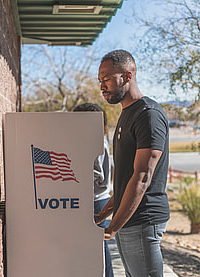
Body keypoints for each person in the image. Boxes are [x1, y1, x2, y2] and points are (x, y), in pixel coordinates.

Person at [94, 49, 170, 277]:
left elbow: (142, 177)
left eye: (106, 79)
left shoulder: (148, 114)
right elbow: (125, 179)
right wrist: (102, 215)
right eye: (100, 80)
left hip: (143, 219)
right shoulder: (126, 114)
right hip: (129, 220)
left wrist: (113, 228)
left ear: (127, 76)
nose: (102, 86)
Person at [73, 103, 114, 277]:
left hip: (96, 201)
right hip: (95, 198)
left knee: (99, 249)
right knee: (97, 248)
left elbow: (96, 174)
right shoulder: (93, 140)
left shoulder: (97, 142)